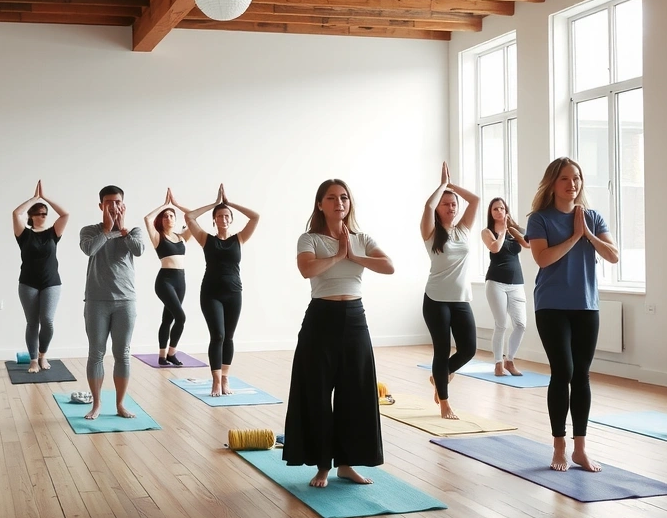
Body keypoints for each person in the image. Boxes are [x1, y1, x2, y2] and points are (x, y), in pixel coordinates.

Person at [283, 179, 394, 488]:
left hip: (355, 320)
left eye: (343, 197)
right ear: (320, 204)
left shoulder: (363, 238)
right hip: (321, 319)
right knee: (317, 394)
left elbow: (388, 266)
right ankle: (322, 466)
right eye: (331, 198)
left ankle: (345, 465)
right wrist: (339, 253)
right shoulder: (309, 239)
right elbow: (307, 270)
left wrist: (353, 255)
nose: (338, 202)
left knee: (354, 394)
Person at [526, 157, 618, 472]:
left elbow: (613, 256)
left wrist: (587, 233)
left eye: (576, 178)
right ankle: (559, 445)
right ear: (553, 183)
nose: (572, 184)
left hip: (586, 305)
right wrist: (575, 237)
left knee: (582, 374)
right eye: (565, 178)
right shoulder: (539, 219)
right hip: (551, 304)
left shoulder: (592, 217)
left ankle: (580, 448)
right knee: (562, 371)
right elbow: (543, 258)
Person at [174, 184, 259, 396]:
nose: (223, 219)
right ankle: (215, 380)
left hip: (234, 293)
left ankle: (225, 379)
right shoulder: (206, 239)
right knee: (218, 335)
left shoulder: (238, 239)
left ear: (231, 219)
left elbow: (255, 216)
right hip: (211, 293)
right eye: (219, 216)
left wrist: (229, 203)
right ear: (214, 219)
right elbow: (190, 217)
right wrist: (214, 203)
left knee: (229, 336)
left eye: (226, 216)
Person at [79, 185, 146, 420]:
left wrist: (122, 230)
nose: (114, 206)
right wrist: (107, 231)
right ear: (101, 206)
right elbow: (89, 250)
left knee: (122, 354)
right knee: (96, 353)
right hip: (97, 301)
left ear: (123, 204)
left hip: (125, 302)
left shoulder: (133, 232)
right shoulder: (89, 231)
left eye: (117, 202)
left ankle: (120, 404)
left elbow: (139, 251)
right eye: (108, 203)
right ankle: (96, 404)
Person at [421, 162, 480, 420]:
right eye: (446, 204)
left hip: (460, 300)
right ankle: (444, 403)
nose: (452, 207)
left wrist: (452, 185)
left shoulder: (463, 230)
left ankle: (439, 376)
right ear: (439, 209)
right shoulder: (431, 232)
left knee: (468, 349)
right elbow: (427, 206)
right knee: (442, 350)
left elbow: (476, 200)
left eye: (454, 203)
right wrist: (442, 186)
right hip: (436, 300)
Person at [12, 180, 69, 373]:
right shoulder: (24, 234)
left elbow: (65, 214)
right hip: (28, 283)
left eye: (45, 213)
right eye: (38, 213)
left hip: (51, 283)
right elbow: (15, 213)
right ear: (31, 216)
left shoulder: (53, 233)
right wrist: (34, 199)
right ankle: (33, 360)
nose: (42, 216)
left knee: (48, 321)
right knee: (32, 322)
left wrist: (46, 198)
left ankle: (43, 355)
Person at [144, 189, 193, 366]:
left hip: (181, 281)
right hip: (165, 281)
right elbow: (147, 220)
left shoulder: (182, 237)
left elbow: (193, 217)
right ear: (161, 220)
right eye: (165, 216)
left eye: (172, 215)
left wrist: (176, 205)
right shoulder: (158, 237)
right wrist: (165, 205)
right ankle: (172, 353)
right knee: (181, 317)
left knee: (168, 318)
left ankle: (162, 356)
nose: (169, 218)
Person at [481, 197, 529, 377]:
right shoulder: (487, 232)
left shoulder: (516, 230)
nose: (499, 211)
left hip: (516, 283)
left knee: (521, 324)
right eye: (495, 209)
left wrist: (512, 229)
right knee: (501, 324)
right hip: (495, 283)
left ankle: (510, 360)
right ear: (491, 213)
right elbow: (495, 248)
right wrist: (502, 232)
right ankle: (498, 364)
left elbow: (527, 244)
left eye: (502, 208)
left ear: (506, 211)